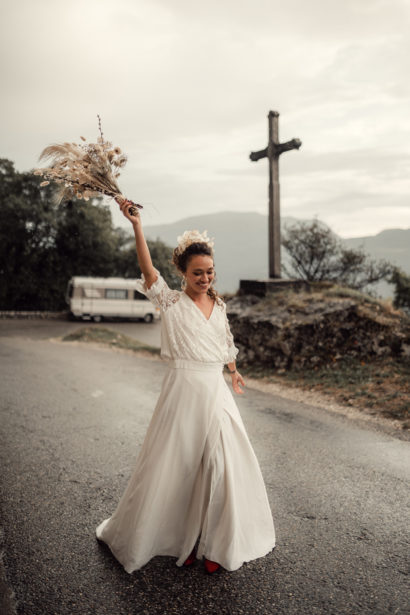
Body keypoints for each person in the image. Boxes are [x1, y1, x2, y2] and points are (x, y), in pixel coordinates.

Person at [96, 200, 275, 574]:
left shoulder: (220, 305)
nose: (206, 278)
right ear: (183, 272)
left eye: (210, 272)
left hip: (215, 391)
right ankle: (185, 540)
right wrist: (137, 226)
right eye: (198, 273)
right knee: (178, 468)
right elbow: (148, 271)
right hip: (182, 392)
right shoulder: (171, 302)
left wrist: (234, 370)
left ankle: (214, 543)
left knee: (221, 463)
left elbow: (224, 342)